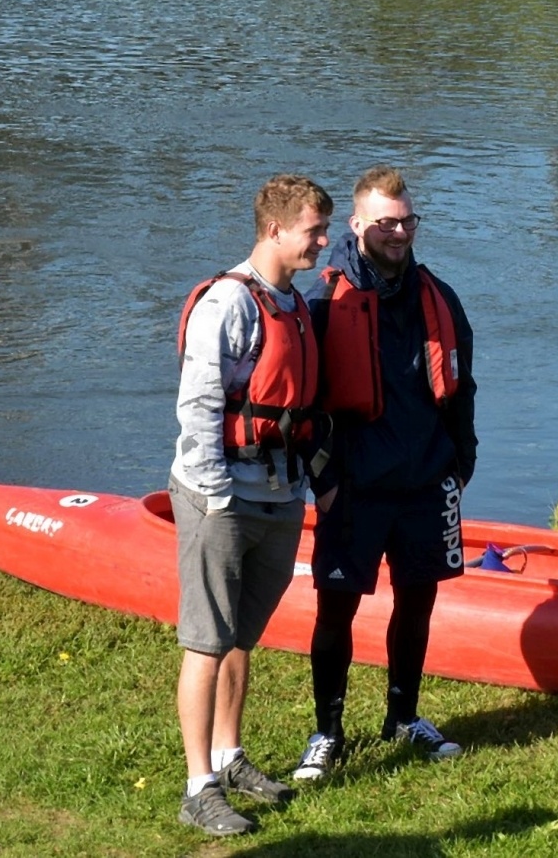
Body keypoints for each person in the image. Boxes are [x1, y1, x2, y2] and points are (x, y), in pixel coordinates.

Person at [292, 164, 478, 781]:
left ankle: (403, 716)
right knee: (336, 611)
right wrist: (325, 478)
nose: (399, 234)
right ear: (356, 225)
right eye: (386, 223)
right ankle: (328, 731)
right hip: (355, 488)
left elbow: (462, 385)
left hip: (425, 483)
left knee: (417, 602)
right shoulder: (324, 300)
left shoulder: (439, 297)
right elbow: (302, 404)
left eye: (407, 222)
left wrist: (461, 461)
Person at [168, 174, 334, 837]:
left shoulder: (292, 301)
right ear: (275, 229)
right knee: (207, 642)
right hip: (221, 498)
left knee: (242, 635)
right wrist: (212, 495)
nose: (325, 241)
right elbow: (200, 407)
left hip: (278, 492)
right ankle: (196, 785)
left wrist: (297, 488)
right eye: (314, 231)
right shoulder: (230, 304)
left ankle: (229, 754)